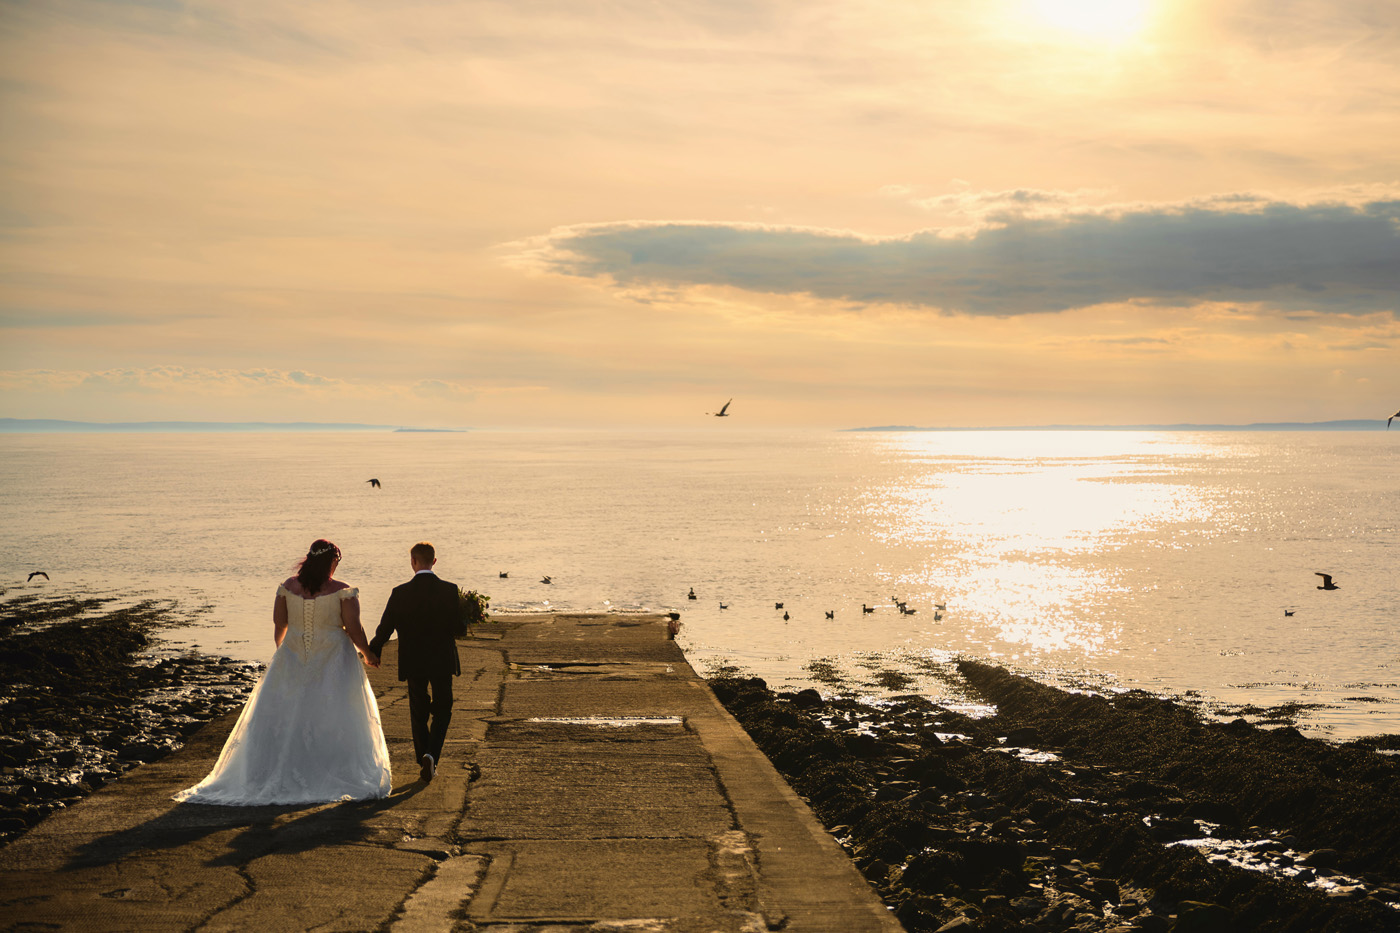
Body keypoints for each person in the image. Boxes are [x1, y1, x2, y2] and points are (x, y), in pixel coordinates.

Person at [173, 540, 392, 805]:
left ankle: (282, 766)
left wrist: (283, 651)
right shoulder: (342, 592)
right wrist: (368, 654)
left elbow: (280, 624)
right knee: (334, 711)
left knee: (289, 712)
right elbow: (354, 629)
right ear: (332, 562)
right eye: (337, 561)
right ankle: (329, 767)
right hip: (333, 657)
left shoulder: (288, 587)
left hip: (292, 654)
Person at [369, 542, 462, 783]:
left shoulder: (400, 593)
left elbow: (385, 628)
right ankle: (432, 755)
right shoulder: (449, 590)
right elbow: (459, 628)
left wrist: (374, 651)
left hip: (413, 660)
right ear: (434, 561)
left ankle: (423, 756)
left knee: (418, 711)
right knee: (443, 709)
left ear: (413, 562)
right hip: (442, 660)